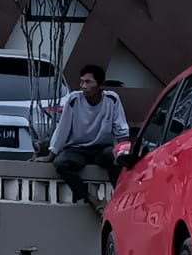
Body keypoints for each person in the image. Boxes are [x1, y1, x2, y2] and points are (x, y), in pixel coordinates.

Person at [35, 64, 130, 213]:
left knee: (113, 157)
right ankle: (90, 198)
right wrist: (51, 155)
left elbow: (121, 128)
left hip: (101, 149)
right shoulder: (74, 100)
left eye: (88, 82)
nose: (84, 86)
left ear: (99, 85)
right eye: (82, 82)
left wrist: (125, 153)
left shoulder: (111, 99)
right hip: (77, 149)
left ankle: (121, 199)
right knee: (61, 164)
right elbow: (63, 129)